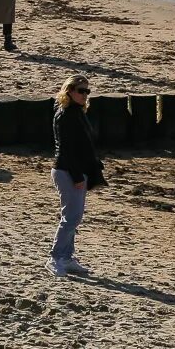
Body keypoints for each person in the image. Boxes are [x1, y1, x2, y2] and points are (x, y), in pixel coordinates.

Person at [50, 75, 103, 278]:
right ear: (69, 91)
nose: (84, 95)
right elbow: (66, 150)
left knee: (74, 216)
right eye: (81, 91)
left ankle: (67, 257)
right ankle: (55, 257)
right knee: (70, 218)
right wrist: (77, 176)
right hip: (66, 171)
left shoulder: (77, 112)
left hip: (75, 170)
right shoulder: (65, 115)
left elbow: (83, 145)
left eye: (87, 91)